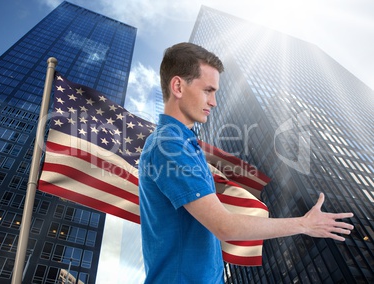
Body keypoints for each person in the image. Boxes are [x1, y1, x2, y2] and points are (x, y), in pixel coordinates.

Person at [138, 42, 354, 283]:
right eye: (208, 90)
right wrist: (304, 225)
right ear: (178, 86)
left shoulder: (186, 145)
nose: (214, 102)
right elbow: (224, 227)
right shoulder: (168, 145)